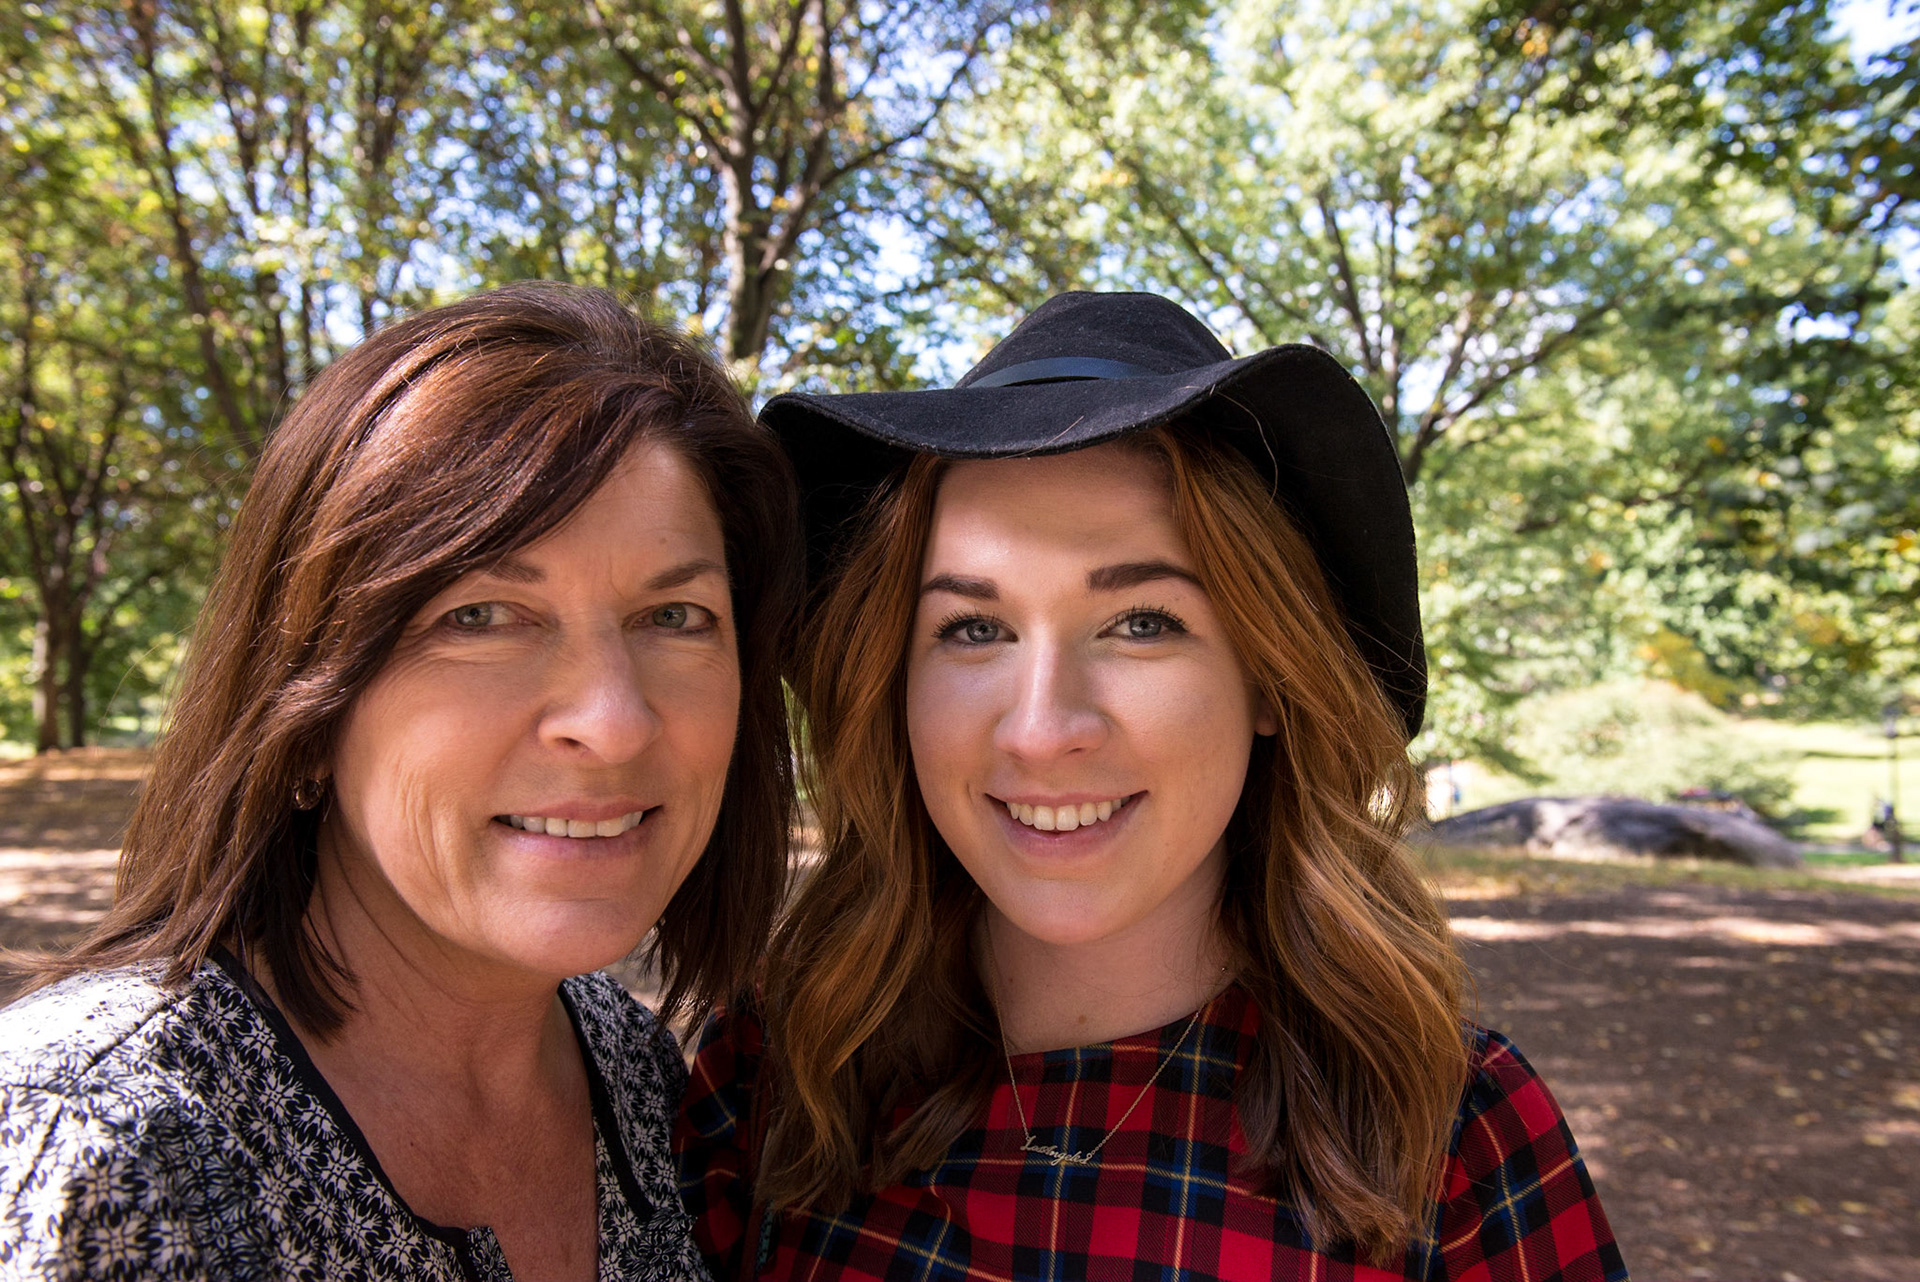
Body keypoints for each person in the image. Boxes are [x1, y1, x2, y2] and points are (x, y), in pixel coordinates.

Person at [676, 292, 1627, 1281]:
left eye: (1143, 623)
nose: (1043, 729)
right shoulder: (778, 1073)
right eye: (972, 629)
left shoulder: (1454, 1138)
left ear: (1270, 675)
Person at [0, 284, 801, 1281]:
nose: (614, 718)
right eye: (482, 614)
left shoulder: (636, 1071)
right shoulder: (92, 1145)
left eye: (674, 615)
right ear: (304, 708)